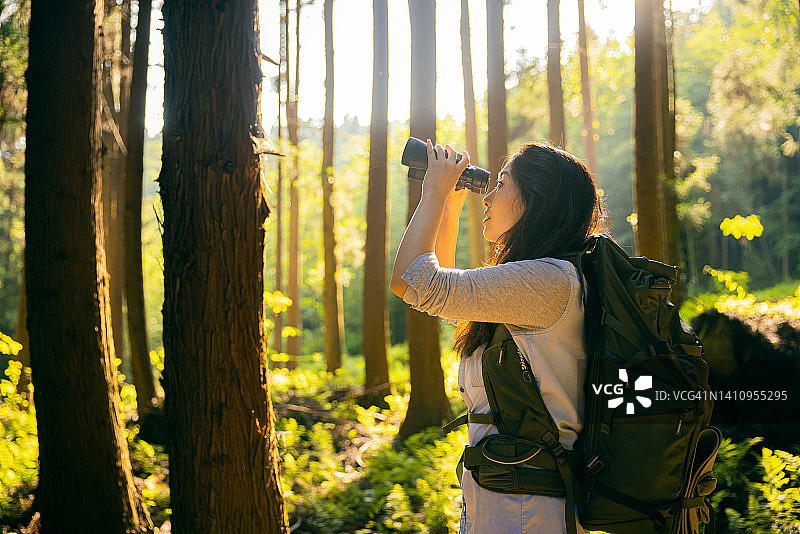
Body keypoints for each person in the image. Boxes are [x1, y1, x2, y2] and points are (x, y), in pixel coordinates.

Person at [389, 139, 605, 534]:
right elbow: (451, 303)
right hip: (507, 498)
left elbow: (412, 282)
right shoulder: (543, 280)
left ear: (536, 201)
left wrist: (434, 193)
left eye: (502, 184)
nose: (487, 195)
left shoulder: (549, 280)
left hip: (526, 509)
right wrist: (449, 213)